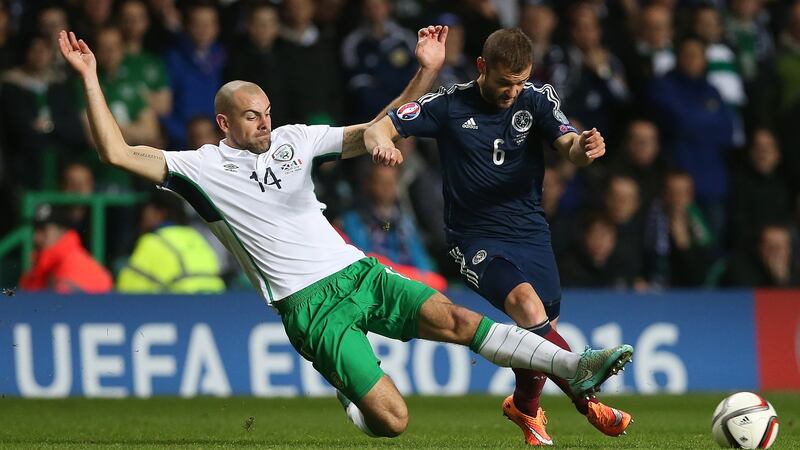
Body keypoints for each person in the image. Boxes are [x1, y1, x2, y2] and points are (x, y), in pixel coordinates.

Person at [61, 26, 633, 439]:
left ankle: (571, 365)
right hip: (308, 306)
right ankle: (353, 393)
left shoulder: (295, 140)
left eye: (266, 109)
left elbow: (373, 129)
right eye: (252, 115)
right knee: (393, 422)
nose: (265, 119)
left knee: (460, 320)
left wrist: (425, 72)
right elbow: (114, 152)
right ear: (224, 124)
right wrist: (90, 77)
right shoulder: (198, 167)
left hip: (357, 271)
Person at [365, 28, 632, 445]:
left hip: (530, 232)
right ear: (482, 68)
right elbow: (379, 128)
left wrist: (586, 147)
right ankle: (588, 398)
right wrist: (384, 145)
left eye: (520, 81)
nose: (512, 92)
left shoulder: (537, 98)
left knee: (538, 335)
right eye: (505, 82)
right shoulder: (449, 105)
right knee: (527, 307)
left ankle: (524, 409)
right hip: (473, 238)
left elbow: (569, 146)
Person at [117, 191, 225, 293]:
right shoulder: (195, 236)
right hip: (215, 301)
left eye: (146, 209)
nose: (143, 215)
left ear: (158, 213)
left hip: (179, 304)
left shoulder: (152, 240)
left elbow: (128, 289)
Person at [19, 204, 112, 294]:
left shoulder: (74, 264)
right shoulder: (40, 265)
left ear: (62, 230)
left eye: (42, 230)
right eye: (35, 229)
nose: (36, 237)